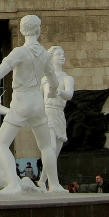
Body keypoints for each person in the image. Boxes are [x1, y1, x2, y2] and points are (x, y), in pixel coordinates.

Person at [0, 14, 67, 194]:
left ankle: (13, 185)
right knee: (46, 146)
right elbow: (54, 83)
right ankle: (54, 185)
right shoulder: (45, 55)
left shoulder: (19, 52)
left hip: (21, 100)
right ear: (38, 31)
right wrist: (53, 92)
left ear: (22, 31)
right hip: (38, 103)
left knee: (1, 144)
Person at [39, 46, 75, 190]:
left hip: (59, 113)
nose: (62, 56)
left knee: (56, 151)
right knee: (51, 147)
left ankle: (42, 180)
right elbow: (40, 98)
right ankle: (55, 183)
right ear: (51, 58)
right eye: (58, 54)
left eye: (63, 54)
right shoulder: (44, 79)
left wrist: (59, 91)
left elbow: (70, 94)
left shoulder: (67, 78)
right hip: (47, 113)